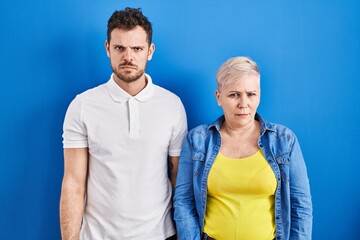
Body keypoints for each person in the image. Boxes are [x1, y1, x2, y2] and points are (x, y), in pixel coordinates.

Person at [60, 7, 187, 240]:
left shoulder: (172, 105)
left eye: (137, 49)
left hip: (160, 234)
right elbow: (73, 183)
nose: (128, 57)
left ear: (150, 51)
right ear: (108, 48)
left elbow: (179, 177)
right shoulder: (82, 106)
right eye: (120, 48)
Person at [174, 56, 312, 240]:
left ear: (259, 95)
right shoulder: (197, 140)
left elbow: (300, 206)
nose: (243, 103)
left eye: (251, 94)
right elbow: (184, 201)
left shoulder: (284, 141)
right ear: (219, 97)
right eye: (234, 94)